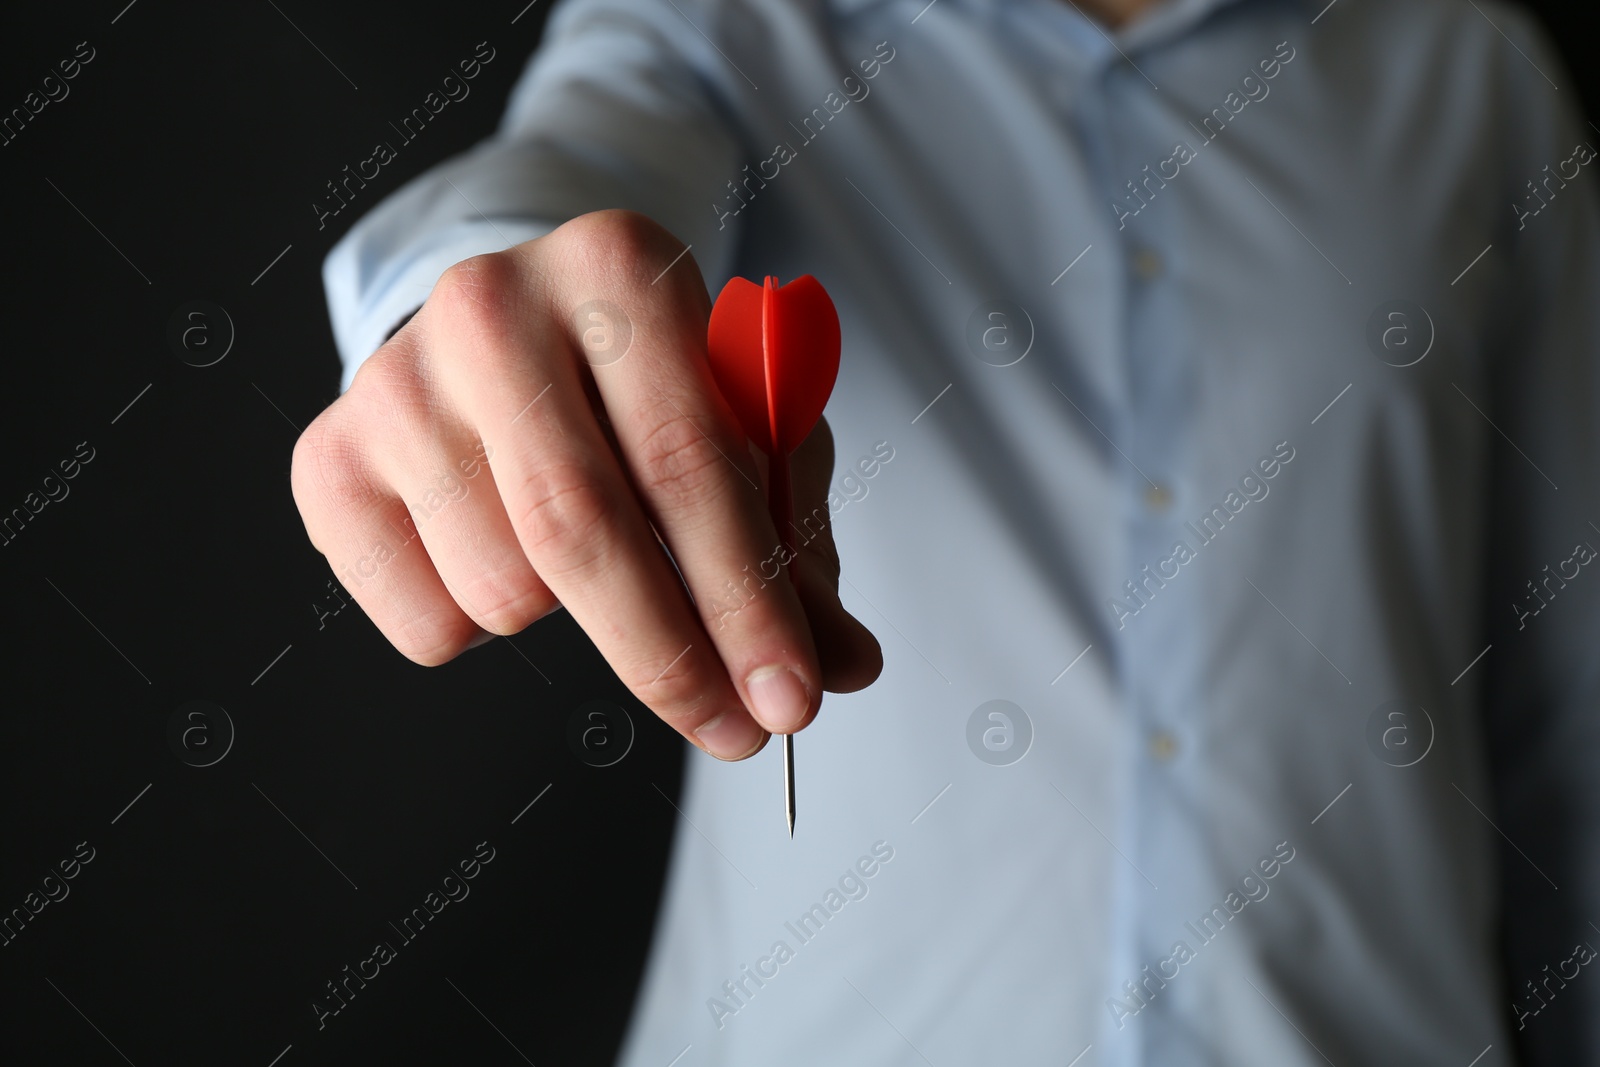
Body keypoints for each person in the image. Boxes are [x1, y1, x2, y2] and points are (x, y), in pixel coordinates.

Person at [294, 0, 1600, 1061]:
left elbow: (1565, 691)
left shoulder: (1473, 77)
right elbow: (574, 171)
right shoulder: (723, 29)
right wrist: (472, 301)